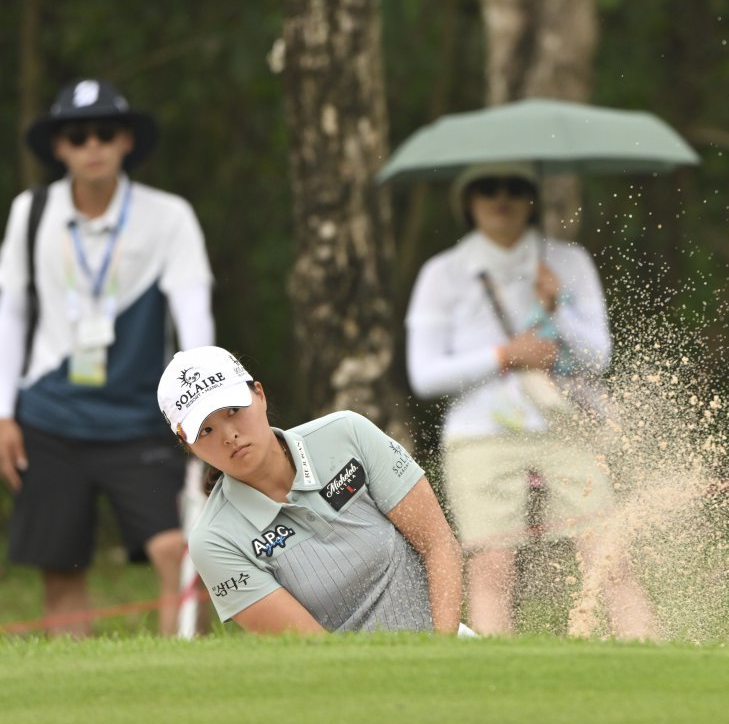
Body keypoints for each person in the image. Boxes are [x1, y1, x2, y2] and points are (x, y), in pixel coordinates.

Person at [0, 78, 214, 637]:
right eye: (77, 134)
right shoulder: (31, 211)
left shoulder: (169, 216)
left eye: (105, 132)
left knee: (181, 552)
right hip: (49, 417)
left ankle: (182, 683)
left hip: (143, 420)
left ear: (126, 141)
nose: (91, 145)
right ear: (59, 147)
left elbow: (195, 320)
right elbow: (12, 315)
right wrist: (3, 413)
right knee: (61, 567)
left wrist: (206, 408)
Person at [405, 162, 656, 638]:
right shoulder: (442, 273)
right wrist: (504, 355)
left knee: (607, 552)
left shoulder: (569, 261)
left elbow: (597, 357)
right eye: (487, 188)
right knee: (491, 564)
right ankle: (492, 688)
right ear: (468, 202)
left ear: (531, 198)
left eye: (515, 187)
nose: (502, 197)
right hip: (480, 434)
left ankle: (652, 660)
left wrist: (558, 308)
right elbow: (424, 375)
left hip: (566, 425)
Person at [156, 345, 464, 634]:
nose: (229, 435)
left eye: (233, 411)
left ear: (259, 395)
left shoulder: (347, 433)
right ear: (188, 446)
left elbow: (438, 545)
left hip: (446, 646)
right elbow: (316, 650)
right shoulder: (213, 541)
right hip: (354, 685)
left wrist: (441, 653)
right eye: (206, 430)